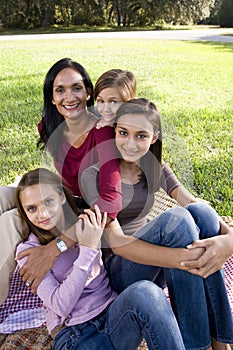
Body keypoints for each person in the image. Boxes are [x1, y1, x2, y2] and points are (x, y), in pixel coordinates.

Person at [80, 98, 233, 350]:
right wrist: (187, 259)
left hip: (153, 264)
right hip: (117, 270)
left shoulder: (154, 168)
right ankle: (197, 345)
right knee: (179, 221)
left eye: (140, 135)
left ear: (154, 137)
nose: (130, 143)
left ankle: (221, 341)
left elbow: (193, 203)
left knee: (199, 213)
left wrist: (228, 240)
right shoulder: (95, 175)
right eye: (122, 133)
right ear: (114, 131)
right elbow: (117, 244)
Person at [15, 167, 186, 350]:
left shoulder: (84, 224)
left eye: (48, 202)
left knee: (147, 292)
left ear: (62, 197)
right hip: (77, 335)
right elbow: (60, 306)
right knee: (145, 291)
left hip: (113, 316)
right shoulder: (28, 252)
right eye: (32, 208)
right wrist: (88, 249)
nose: (42, 214)